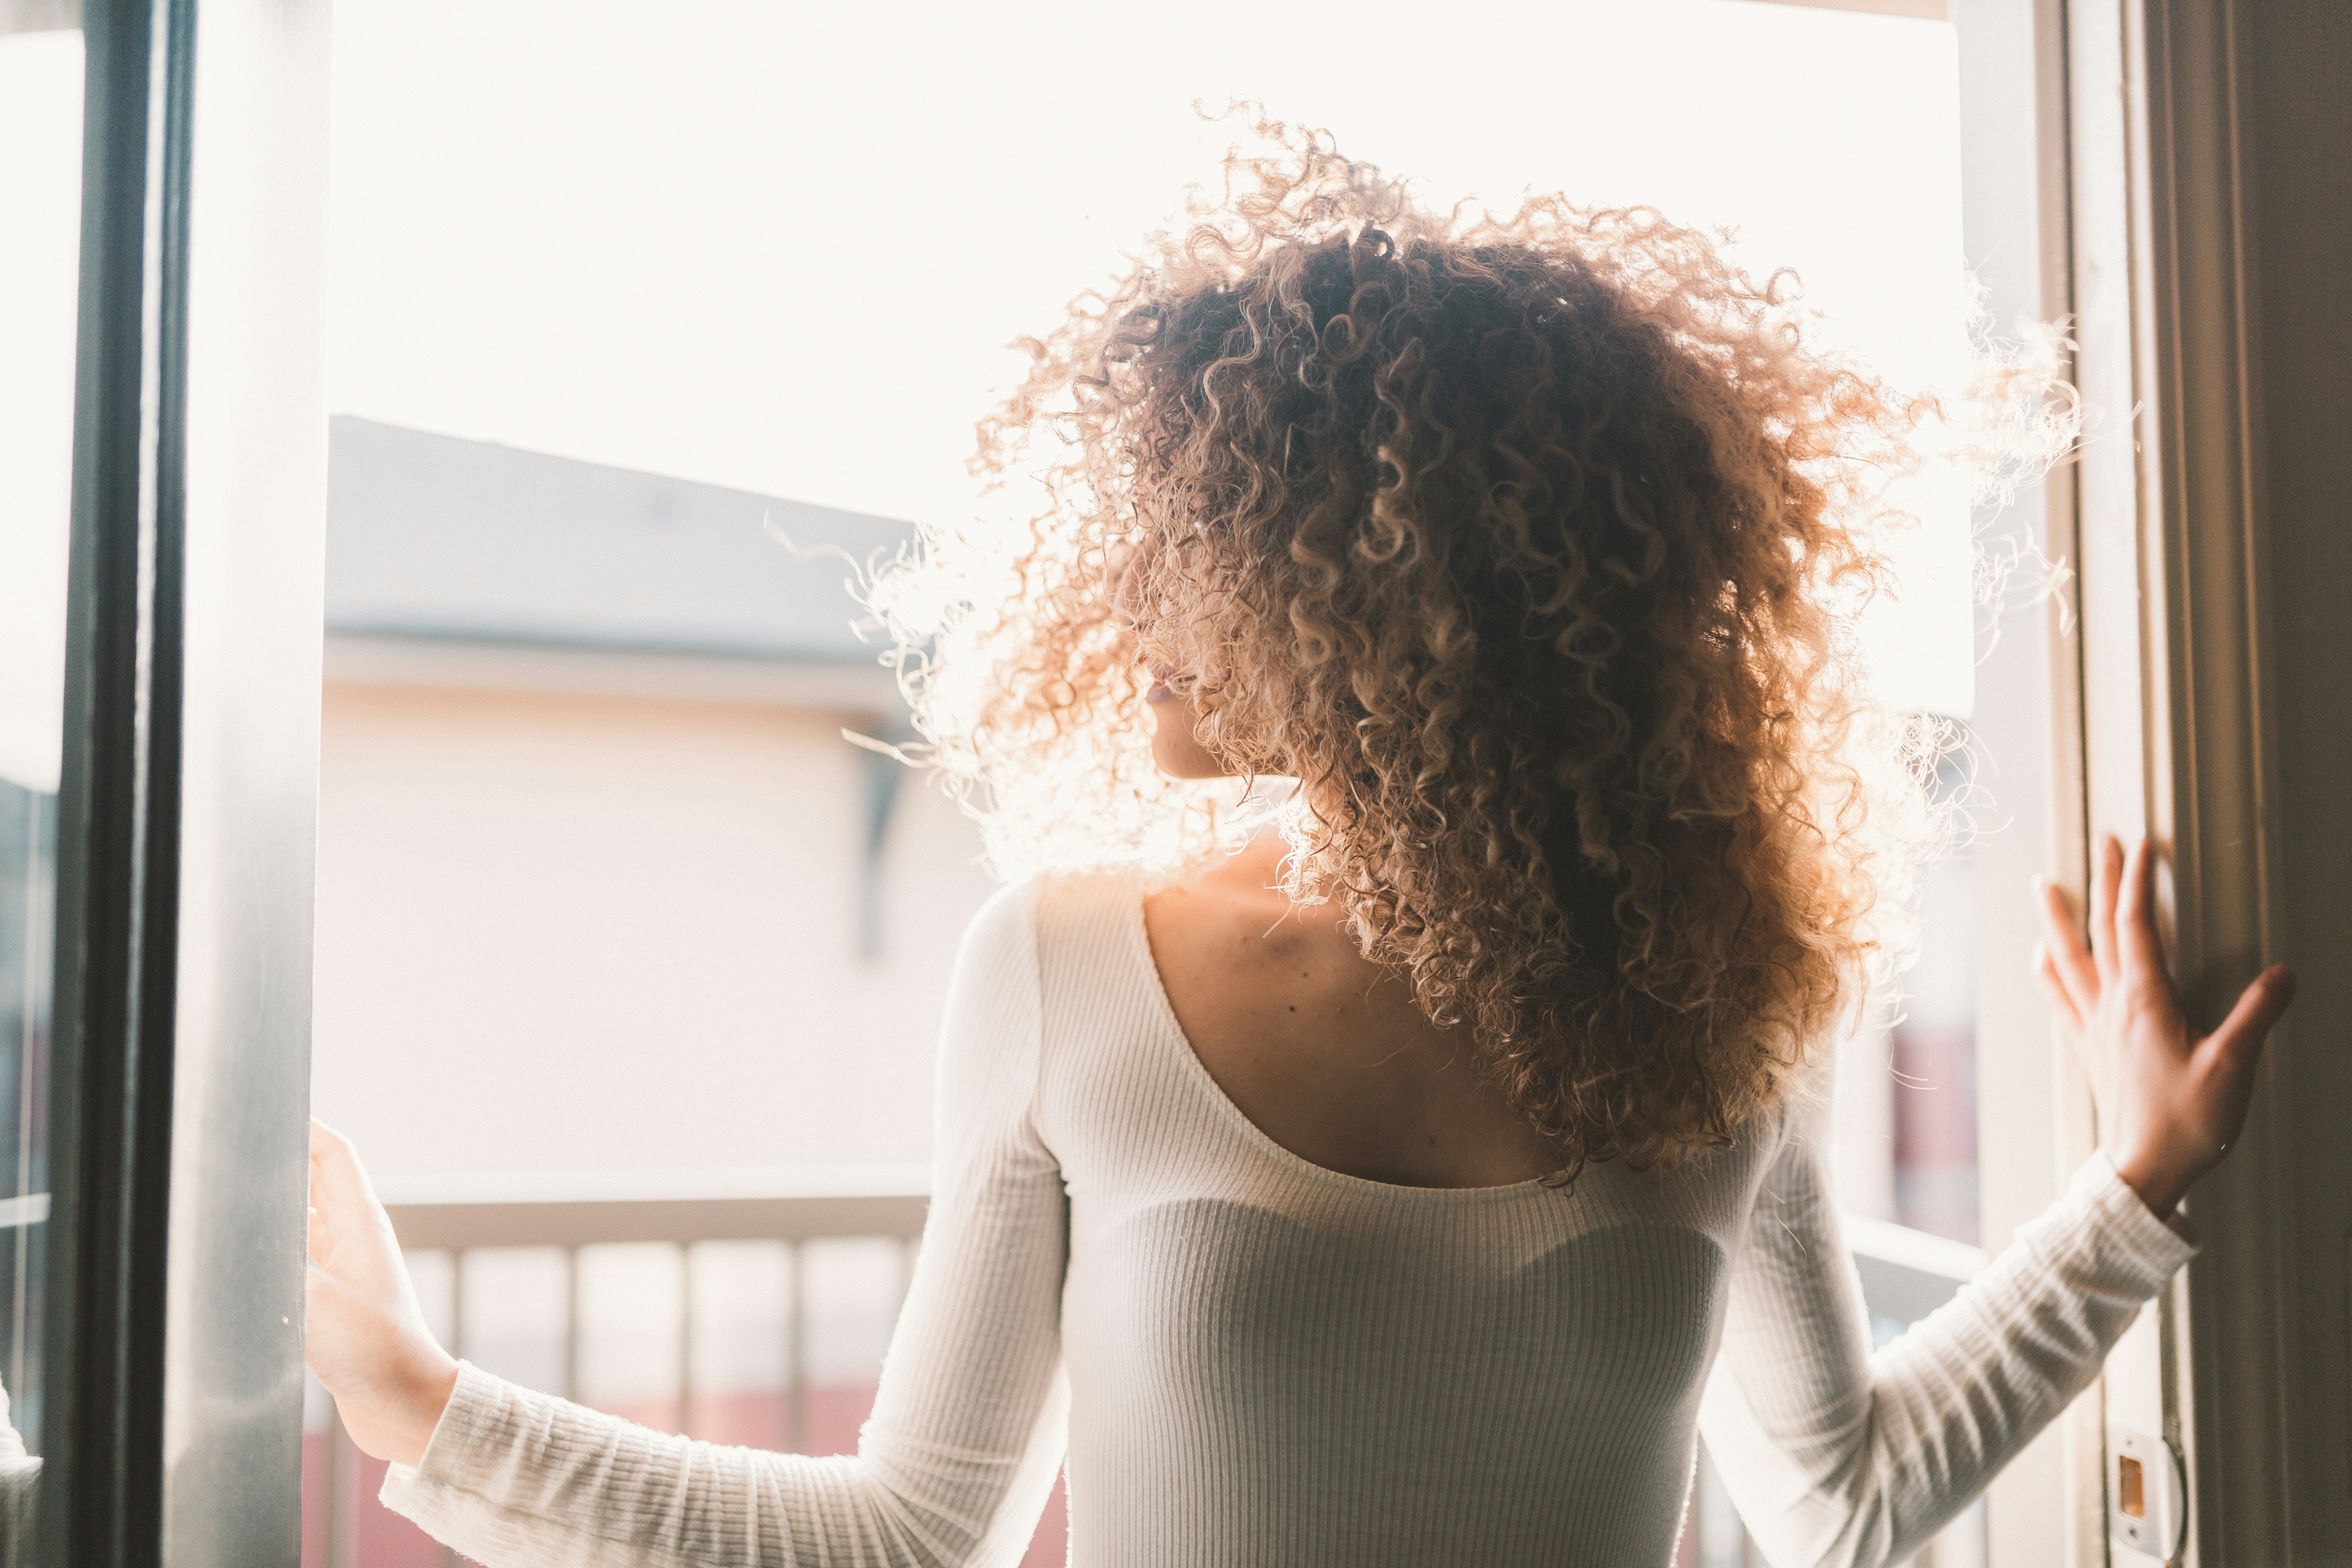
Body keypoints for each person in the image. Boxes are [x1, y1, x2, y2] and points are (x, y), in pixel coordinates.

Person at [303, 125, 2296, 1567]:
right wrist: (415, 1400)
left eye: (1206, 538)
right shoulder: (1067, 969)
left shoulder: (1719, 998)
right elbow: (918, 1538)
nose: (1140, 600)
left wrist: (2140, 1183)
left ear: (1392, 596)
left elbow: (1841, 1494)